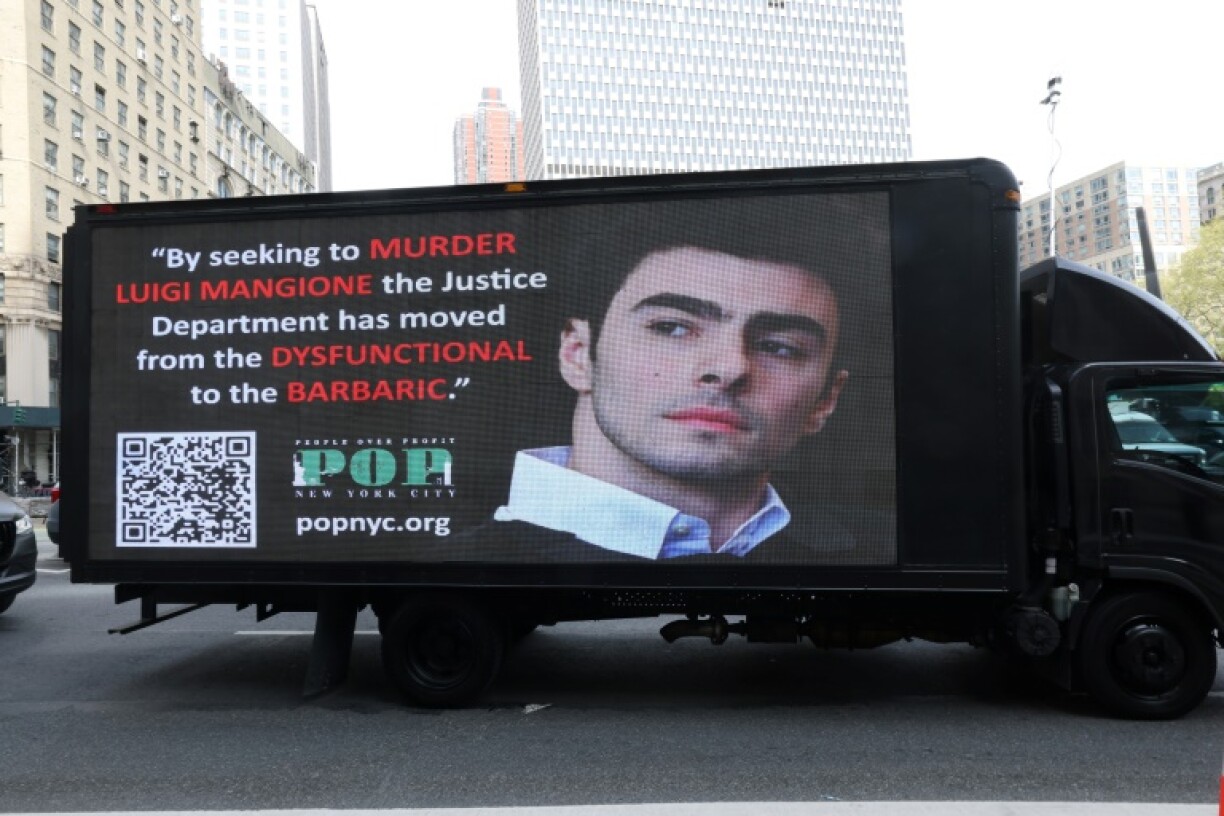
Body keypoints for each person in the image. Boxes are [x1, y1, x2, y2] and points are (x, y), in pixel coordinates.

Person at [480, 208, 855, 562]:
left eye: (780, 347)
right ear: (577, 354)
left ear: (826, 399)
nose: (729, 369)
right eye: (671, 328)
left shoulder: (871, 550)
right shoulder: (456, 557)